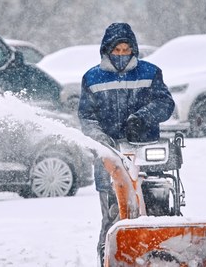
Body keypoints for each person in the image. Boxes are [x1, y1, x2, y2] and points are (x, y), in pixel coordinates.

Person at [77, 22, 175, 266]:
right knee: (113, 217)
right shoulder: (92, 78)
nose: (121, 55)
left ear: (134, 50)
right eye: (117, 51)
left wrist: (142, 118)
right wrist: (101, 140)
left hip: (145, 150)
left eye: (126, 50)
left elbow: (165, 103)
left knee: (157, 210)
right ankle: (109, 258)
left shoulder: (150, 73)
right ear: (106, 50)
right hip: (110, 156)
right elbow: (87, 117)